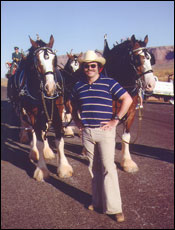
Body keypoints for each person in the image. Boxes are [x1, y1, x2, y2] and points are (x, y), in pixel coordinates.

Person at [69, 50, 133, 222]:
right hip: (87, 132)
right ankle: (97, 202)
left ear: (99, 67)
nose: (90, 68)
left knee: (108, 168)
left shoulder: (109, 82)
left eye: (93, 65)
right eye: (86, 66)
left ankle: (114, 208)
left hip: (105, 132)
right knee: (93, 168)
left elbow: (127, 99)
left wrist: (115, 120)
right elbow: (72, 104)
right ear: (83, 68)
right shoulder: (78, 86)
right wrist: (77, 121)